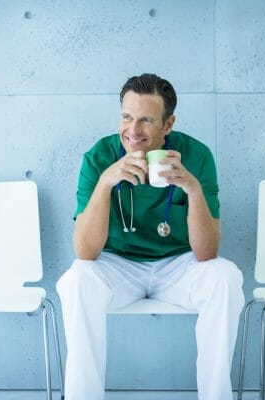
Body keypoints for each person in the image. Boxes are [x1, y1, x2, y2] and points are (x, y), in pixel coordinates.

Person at [56, 73, 245, 400]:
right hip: (119, 267)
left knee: (225, 276)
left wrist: (193, 188)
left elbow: (207, 253)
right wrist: (105, 183)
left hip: (179, 266)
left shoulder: (197, 156)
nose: (133, 130)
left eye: (146, 120)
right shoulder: (99, 157)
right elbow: (85, 252)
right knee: (77, 279)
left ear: (168, 124)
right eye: (127, 117)